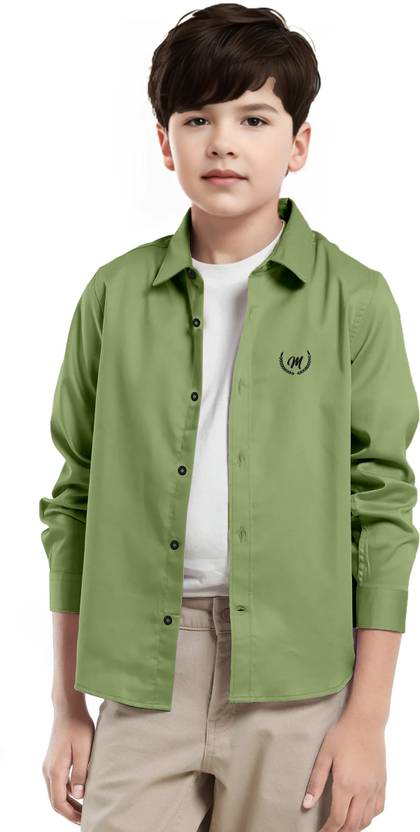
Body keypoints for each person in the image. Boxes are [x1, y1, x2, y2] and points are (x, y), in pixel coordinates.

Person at [40, 5, 419, 831]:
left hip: (298, 680)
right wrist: (68, 706)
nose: (222, 143)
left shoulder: (355, 300)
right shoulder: (113, 296)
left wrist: (367, 720)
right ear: (164, 141)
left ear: (299, 144)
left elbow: (383, 510)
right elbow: (74, 500)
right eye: (197, 119)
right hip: (143, 672)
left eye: (254, 118)